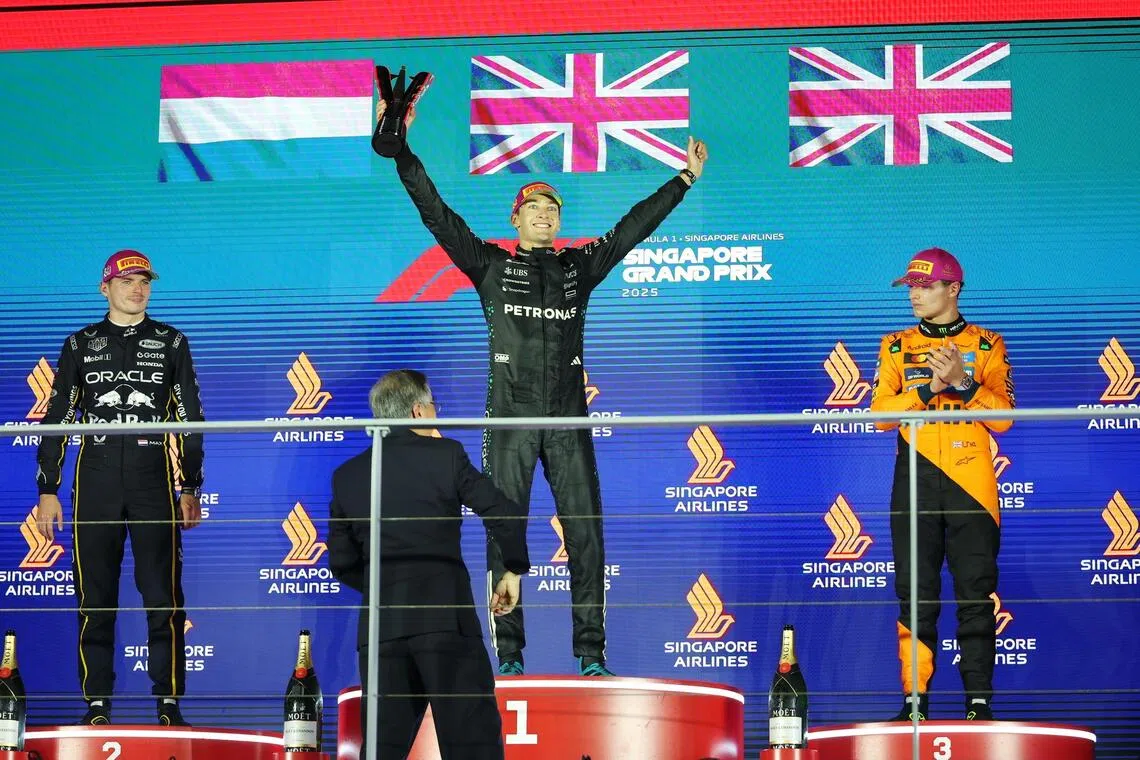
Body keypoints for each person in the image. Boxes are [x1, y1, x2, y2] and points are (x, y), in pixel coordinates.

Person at [378, 98, 708, 675]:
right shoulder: (486, 265)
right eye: (534, 207)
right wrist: (402, 152)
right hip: (508, 422)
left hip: (569, 422)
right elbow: (436, 212)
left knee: (586, 537)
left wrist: (683, 179)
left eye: (553, 209)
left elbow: (632, 227)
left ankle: (591, 654)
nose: (545, 214)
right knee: (503, 535)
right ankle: (508, 657)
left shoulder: (579, 267)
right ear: (516, 219)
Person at [34, 249, 205, 727]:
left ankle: (168, 703)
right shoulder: (80, 344)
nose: (138, 289)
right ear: (104, 287)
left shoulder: (172, 342)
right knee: (95, 598)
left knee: (164, 597)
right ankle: (97, 705)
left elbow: (190, 418)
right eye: (127, 280)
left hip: (154, 480)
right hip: (97, 481)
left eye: (145, 281)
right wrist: (49, 488)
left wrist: (190, 484)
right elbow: (58, 419)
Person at [328, 369, 530, 760]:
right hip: (445, 623)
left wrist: (382, 588)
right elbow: (502, 513)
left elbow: (342, 562)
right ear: (419, 411)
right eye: (435, 405)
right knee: (474, 747)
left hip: (381, 629)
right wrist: (513, 569)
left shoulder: (347, 475)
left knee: (380, 751)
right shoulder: (447, 455)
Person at [870, 247, 1015, 722]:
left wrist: (964, 383)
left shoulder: (989, 344)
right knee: (915, 595)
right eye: (909, 285)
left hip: (973, 484)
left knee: (976, 594)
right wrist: (931, 387)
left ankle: (978, 705)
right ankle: (915, 705)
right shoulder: (894, 345)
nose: (914, 294)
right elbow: (879, 418)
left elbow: (1006, 420)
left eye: (924, 286)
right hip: (913, 482)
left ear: (953, 289)